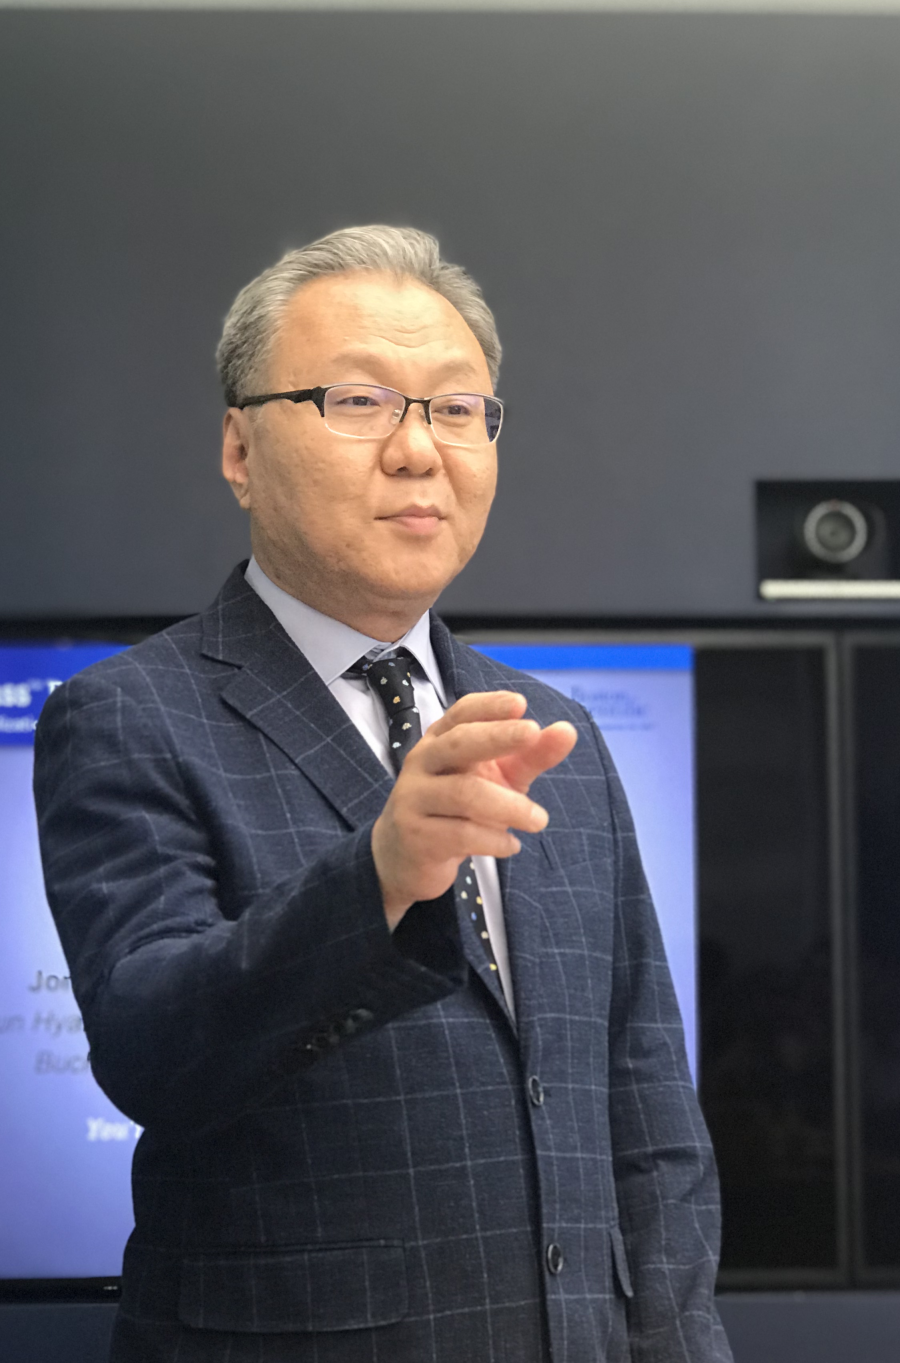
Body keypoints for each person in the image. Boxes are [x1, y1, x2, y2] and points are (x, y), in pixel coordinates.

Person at [34, 225, 732, 1363]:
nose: (418, 450)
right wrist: (378, 877)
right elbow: (153, 1051)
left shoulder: (552, 730)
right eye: (358, 401)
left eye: (457, 408)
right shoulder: (127, 715)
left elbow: (647, 1113)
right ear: (240, 448)